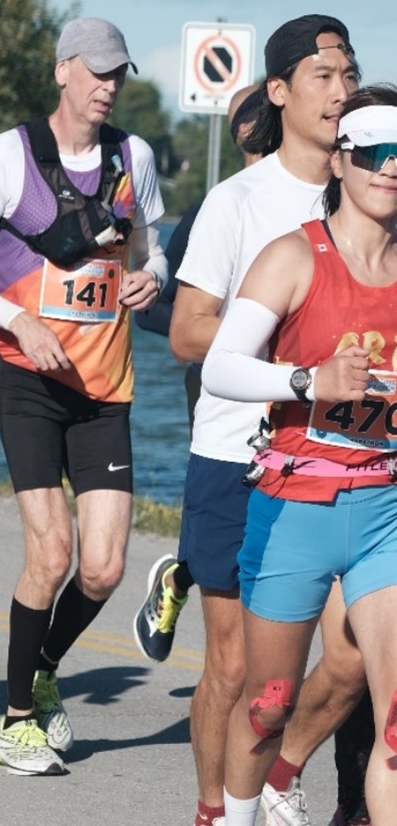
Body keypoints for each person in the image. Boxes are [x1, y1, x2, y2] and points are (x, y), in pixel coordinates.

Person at [138, 15, 371, 826]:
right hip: (238, 455)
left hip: (352, 460)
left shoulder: (371, 192)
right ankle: (215, 810)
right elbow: (186, 333)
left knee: (352, 657)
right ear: (278, 91)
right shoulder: (237, 202)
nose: (340, 91)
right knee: (238, 673)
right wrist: (292, 356)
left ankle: (282, 770)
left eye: (349, 75)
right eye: (322, 76)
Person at [0, 18, 166, 776]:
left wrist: (152, 277)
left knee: (101, 569)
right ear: (62, 69)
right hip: (28, 378)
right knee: (52, 551)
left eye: (118, 74)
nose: (108, 86)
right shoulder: (10, 155)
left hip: (104, 387)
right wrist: (18, 320)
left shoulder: (134, 158)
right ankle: (15, 723)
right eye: (96, 71)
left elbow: (151, 249)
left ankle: (41, 669)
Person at [201, 83, 397, 826]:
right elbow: (220, 366)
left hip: (384, 509)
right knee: (266, 705)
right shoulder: (292, 256)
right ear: (340, 161)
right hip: (293, 508)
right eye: (373, 152)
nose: (389, 166)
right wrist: (308, 382)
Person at [133, 82, 263, 665]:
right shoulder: (221, 205)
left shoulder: (324, 202)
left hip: (298, 386)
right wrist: (231, 332)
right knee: (225, 511)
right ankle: (179, 579)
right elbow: (156, 312)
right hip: (217, 383)